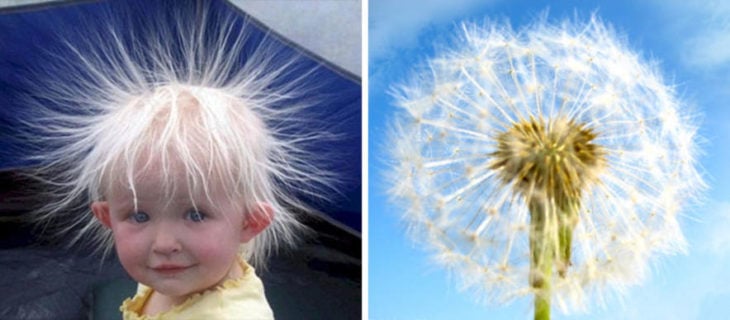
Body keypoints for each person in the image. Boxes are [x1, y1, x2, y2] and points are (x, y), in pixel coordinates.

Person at [20, 1, 336, 318]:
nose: (164, 243)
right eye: (139, 216)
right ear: (107, 218)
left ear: (250, 223)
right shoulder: (183, 272)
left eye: (196, 215)